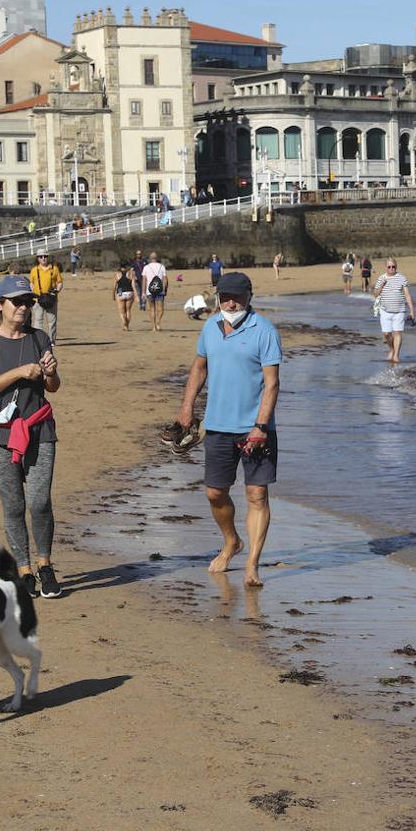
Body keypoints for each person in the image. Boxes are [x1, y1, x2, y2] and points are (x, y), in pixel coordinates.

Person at [173, 272, 281, 588]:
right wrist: (186, 407)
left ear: (250, 296)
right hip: (217, 425)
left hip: (255, 428)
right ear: (217, 298)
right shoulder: (210, 327)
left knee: (257, 494)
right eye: (224, 297)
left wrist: (261, 426)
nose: (230, 303)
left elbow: (272, 384)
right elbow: (199, 367)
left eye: (237, 297)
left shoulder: (264, 331)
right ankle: (231, 541)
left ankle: (251, 566)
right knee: (214, 492)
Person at [0, 275, 63, 599]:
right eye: (17, 301)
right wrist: (19, 372)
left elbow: (53, 387)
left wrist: (50, 372)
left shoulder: (39, 338)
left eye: (28, 302)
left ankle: (45, 565)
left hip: (39, 430)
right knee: (13, 505)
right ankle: (24, 571)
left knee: (39, 502)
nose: (23, 307)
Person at [373, 258, 416, 364]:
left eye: (393, 267)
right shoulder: (381, 278)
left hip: (399, 311)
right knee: (387, 334)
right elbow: (375, 294)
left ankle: (396, 355)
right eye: (389, 267)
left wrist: (412, 311)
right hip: (385, 311)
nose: (391, 269)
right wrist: (382, 285)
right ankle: (391, 349)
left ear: (396, 267)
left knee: (397, 333)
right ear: (386, 267)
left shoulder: (402, 278)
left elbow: (407, 295)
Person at [29, 253, 63, 344]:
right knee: (38, 321)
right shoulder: (34, 270)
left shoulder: (54, 269)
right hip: (37, 299)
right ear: (38, 258)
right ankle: (38, 340)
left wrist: (57, 290)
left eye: (45, 256)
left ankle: (52, 340)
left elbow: (59, 282)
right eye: (41, 257)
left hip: (51, 299)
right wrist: (32, 292)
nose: (43, 258)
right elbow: (31, 283)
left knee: (52, 321)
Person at [141, 252, 168, 332]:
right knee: (161, 309)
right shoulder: (162, 266)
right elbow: (165, 279)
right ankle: (158, 323)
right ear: (157, 258)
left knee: (152, 309)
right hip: (159, 290)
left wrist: (143, 292)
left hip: (150, 291)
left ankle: (153, 327)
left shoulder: (146, 267)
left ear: (150, 258)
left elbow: (144, 280)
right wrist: (164, 289)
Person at [114, 264, 136, 330]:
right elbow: (133, 285)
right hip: (129, 291)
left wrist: (113, 295)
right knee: (128, 310)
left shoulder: (117, 274)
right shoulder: (130, 273)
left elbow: (114, 286)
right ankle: (126, 326)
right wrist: (136, 294)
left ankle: (124, 323)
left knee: (122, 311)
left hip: (120, 292)